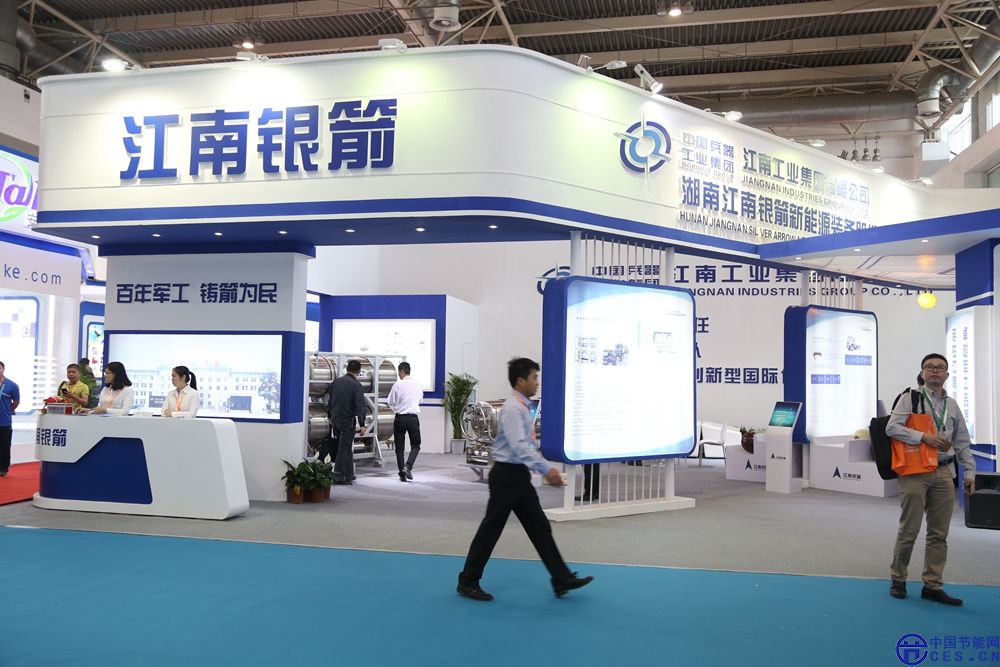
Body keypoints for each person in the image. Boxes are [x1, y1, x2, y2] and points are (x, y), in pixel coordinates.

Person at [457, 357, 593, 601]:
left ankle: (561, 578)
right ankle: (467, 581)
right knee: (491, 530)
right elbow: (519, 446)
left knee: (540, 527)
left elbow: (525, 444)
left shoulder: (522, 406)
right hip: (506, 477)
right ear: (521, 381)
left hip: (517, 476)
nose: (537, 382)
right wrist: (546, 469)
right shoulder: (513, 409)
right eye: (534, 378)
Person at [886, 353, 976, 606]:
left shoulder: (952, 405)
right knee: (909, 529)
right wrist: (923, 437)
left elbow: (962, 442)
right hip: (915, 472)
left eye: (940, 367)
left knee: (939, 534)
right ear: (922, 372)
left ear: (947, 374)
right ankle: (898, 578)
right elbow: (891, 428)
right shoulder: (910, 398)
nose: (935, 371)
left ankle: (932, 585)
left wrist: (969, 473)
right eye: (930, 367)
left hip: (944, 472)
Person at [327, 359, 366, 485]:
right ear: (358, 371)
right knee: (344, 448)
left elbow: (330, 401)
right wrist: (362, 424)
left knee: (346, 446)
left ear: (347, 369)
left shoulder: (336, 382)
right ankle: (338, 475)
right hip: (347, 421)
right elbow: (360, 406)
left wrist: (330, 417)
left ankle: (349, 474)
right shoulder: (356, 385)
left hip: (335, 419)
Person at [385, 361, 422, 482]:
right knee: (416, 445)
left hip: (400, 418)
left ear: (401, 371)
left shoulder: (397, 385)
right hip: (413, 418)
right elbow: (420, 401)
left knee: (399, 448)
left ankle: (402, 474)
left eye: (398, 372)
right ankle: (408, 466)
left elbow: (390, 401)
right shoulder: (418, 385)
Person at [0, 361, 20, 478]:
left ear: (3, 369)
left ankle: (3, 468)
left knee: (4, 446)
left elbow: (16, 401)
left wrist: (9, 410)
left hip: (4, 421)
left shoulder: (12, 385)